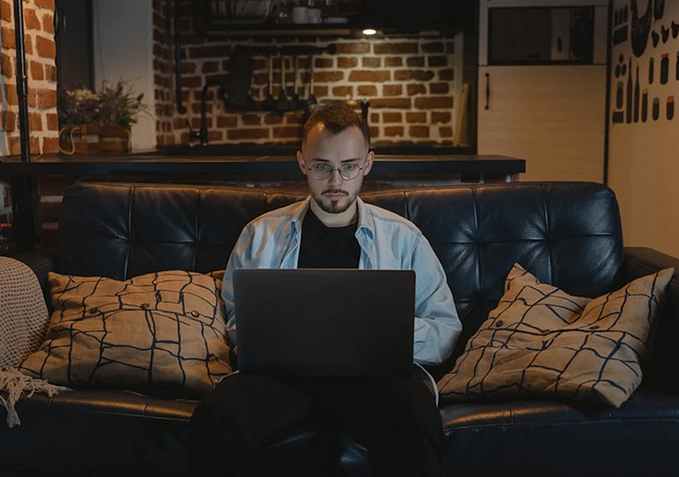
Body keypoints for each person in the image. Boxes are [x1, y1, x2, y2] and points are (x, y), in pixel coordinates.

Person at [189, 106, 462, 477]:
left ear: (368, 163)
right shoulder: (261, 234)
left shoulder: (403, 238)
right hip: (281, 382)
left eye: (349, 166)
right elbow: (237, 319)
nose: (336, 180)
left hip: (376, 384)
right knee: (217, 414)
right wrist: (271, 339)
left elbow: (445, 328)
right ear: (302, 163)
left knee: (415, 413)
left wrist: (386, 334)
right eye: (322, 166)